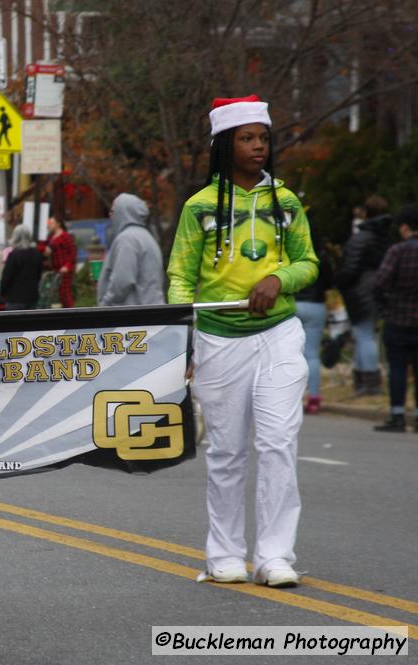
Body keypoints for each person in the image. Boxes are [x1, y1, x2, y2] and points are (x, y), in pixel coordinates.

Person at [166, 95, 318, 589]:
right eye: (246, 138)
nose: (258, 146)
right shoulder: (200, 207)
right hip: (218, 339)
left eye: (264, 138)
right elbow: (180, 279)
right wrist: (182, 341)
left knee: (277, 443)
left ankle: (275, 555)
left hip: (278, 334)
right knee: (227, 451)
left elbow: (309, 263)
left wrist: (278, 278)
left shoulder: (287, 202)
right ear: (224, 143)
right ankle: (224, 554)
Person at [334, 195, 393, 396]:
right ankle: (364, 380)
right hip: (377, 291)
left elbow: (350, 267)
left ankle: (369, 381)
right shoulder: (386, 237)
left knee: (364, 335)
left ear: (366, 212)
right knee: (366, 335)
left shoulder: (362, 237)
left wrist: (340, 281)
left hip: (361, 292)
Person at [372, 204, 418, 432]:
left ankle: (397, 414)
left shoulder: (398, 251)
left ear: (405, 227)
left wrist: (385, 303)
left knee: (398, 368)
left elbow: (379, 283)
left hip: (398, 316)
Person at [97, 193, 166, 307]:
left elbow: (122, 282)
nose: (110, 215)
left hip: (134, 318)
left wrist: (105, 305)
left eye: (113, 211)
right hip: (151, 313)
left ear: (123, 212)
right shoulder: (146, 236)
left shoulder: (127, 239)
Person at [294, 229, 334, 414]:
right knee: (312, 355)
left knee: (290, 354)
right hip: (316, 305)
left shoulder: (292, 252)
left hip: (293, 304)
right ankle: (314, 398)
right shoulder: (323, 257)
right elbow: (329, 282)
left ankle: (292, 398)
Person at [0, 225, 43, 310]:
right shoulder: (37, 254)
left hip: (14, 299)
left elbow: (6, 278)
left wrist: (2, 293)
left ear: (15, 237)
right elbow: (38, 276)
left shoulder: (13, 255)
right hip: (32, 297)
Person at [44, 217, 76, 308]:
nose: (49, 225)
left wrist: (67, 266)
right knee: (55, 294)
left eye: (51, 223)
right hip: (55, 269)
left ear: (58, 224)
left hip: (64, 270)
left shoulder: (65, 236)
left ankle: (71, 313)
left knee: (65, 293)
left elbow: (72, 253)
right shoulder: (50, 237)